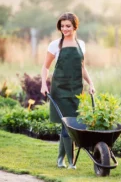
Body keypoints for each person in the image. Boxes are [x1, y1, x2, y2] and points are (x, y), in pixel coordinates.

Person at [40, 12, 95, 169]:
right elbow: (45, 67)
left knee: (71, 124)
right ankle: (71, 162)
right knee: (68, 125)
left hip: (76, 89)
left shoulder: (81, 45)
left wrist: (91, 83)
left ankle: (60, 160)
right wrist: (43, 84)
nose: (64, 29)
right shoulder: (54, 45)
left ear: (75, 26)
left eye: (68, 26)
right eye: (62, 26)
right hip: (60, 90)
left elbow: (82, 68)